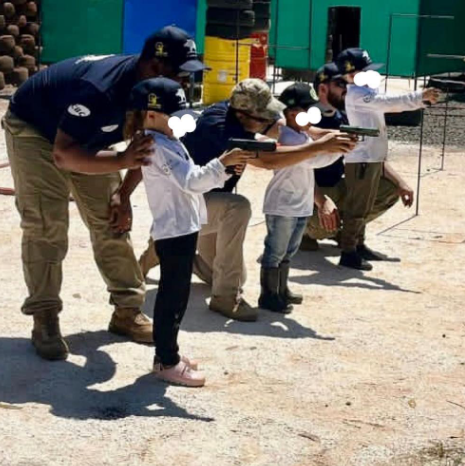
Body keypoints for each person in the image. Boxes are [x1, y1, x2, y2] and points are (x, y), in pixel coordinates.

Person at [3, 24, 206, 361]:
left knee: (112, 220)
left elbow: (147, 145)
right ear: (155, 66)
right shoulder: (100, 89)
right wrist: (123, 158)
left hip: (89, 137)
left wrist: (123, 195)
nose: (185, 82)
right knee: (46, 225)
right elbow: (64, 155)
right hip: (36, 130)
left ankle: (127, 312)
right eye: (181, 73)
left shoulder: (155, 90)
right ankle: (45, 317)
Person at [131, 79, 356, 321]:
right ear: (242, 113)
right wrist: (318, 148)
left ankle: (163, 250)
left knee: (221, 273)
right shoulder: (220, 128)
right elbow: (269, 160)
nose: (268, 122)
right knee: (238, 208)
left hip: (206, 202)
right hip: (189, 203)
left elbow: (287, 130)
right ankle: (225, 297)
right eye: (263, 118)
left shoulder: (239, 112)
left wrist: (335, 137)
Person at [125, 78, 251, 386]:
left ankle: (169, 354)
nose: (180, 120)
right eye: (173, 113)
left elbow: (192, 179)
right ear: (151, 114)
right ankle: (166, 360)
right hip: (174, 232)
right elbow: (192, 181)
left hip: (184, 226)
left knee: (178, 295)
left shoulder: (167, 139)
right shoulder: (156, 145)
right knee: (172, 298)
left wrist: (222, 171)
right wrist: (223, 163)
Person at [333, 48, 440, 271]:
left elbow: (386, 101)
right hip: (362, 158)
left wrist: (419, 99)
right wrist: (419, 97)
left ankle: (358, 245)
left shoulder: (363, 91)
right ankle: (348, 251)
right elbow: (388, 102)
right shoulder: (357, 94)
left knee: (365, 203)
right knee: (358, 206)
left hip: (370, 156)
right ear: (351, 74)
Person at [302, 62, 416, 251]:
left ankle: (347, 233)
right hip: (309, 194)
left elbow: (368, 156)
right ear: (323, 88)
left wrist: (400, 183)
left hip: (337, 187)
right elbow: (295, 168)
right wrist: (321, 201)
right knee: (327, 208)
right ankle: (305, 232)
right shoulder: (303, 120)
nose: (348, 89)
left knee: (386, 188)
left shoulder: (347, 116)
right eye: (341, 84)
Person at [259, 83, 346, 313]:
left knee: (289, 251)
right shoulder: (290, 139)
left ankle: (281, 289)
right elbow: (312, 161)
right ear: (292, 114)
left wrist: (338, 147)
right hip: (283, 205)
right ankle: (269, 294)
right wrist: (339, 151)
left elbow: (314, 157)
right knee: (275, 251)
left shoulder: (302, 135)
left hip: (299, 203)